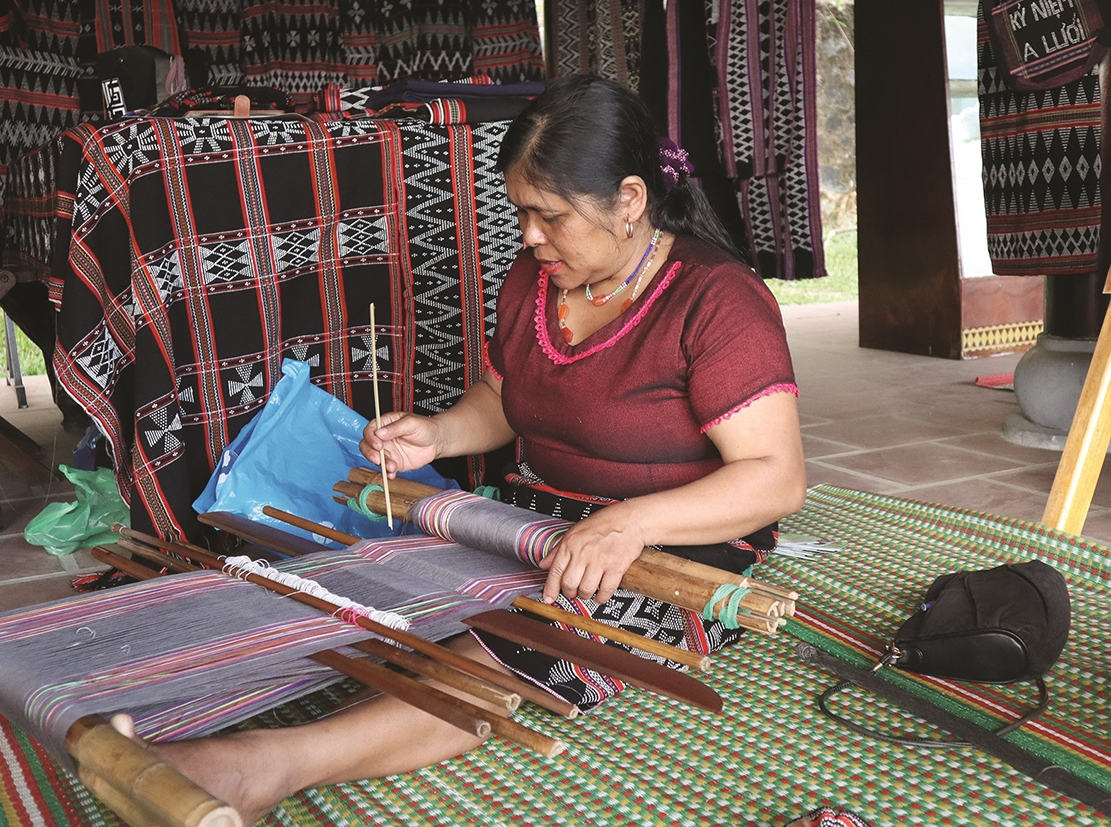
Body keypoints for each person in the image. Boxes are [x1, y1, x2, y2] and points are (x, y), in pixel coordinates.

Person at [119, 75, 806, 824]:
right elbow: (502, 401)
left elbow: (774, 479)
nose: (531, 237)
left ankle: (261, 766)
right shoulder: (537, 279)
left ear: (631, 200)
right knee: (376, 588)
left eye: (549, 215)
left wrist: (631, 522)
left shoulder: (717, 300)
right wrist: (438, 433)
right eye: (521, 213)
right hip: (538, 519)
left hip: (676, 548)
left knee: (520, 640)